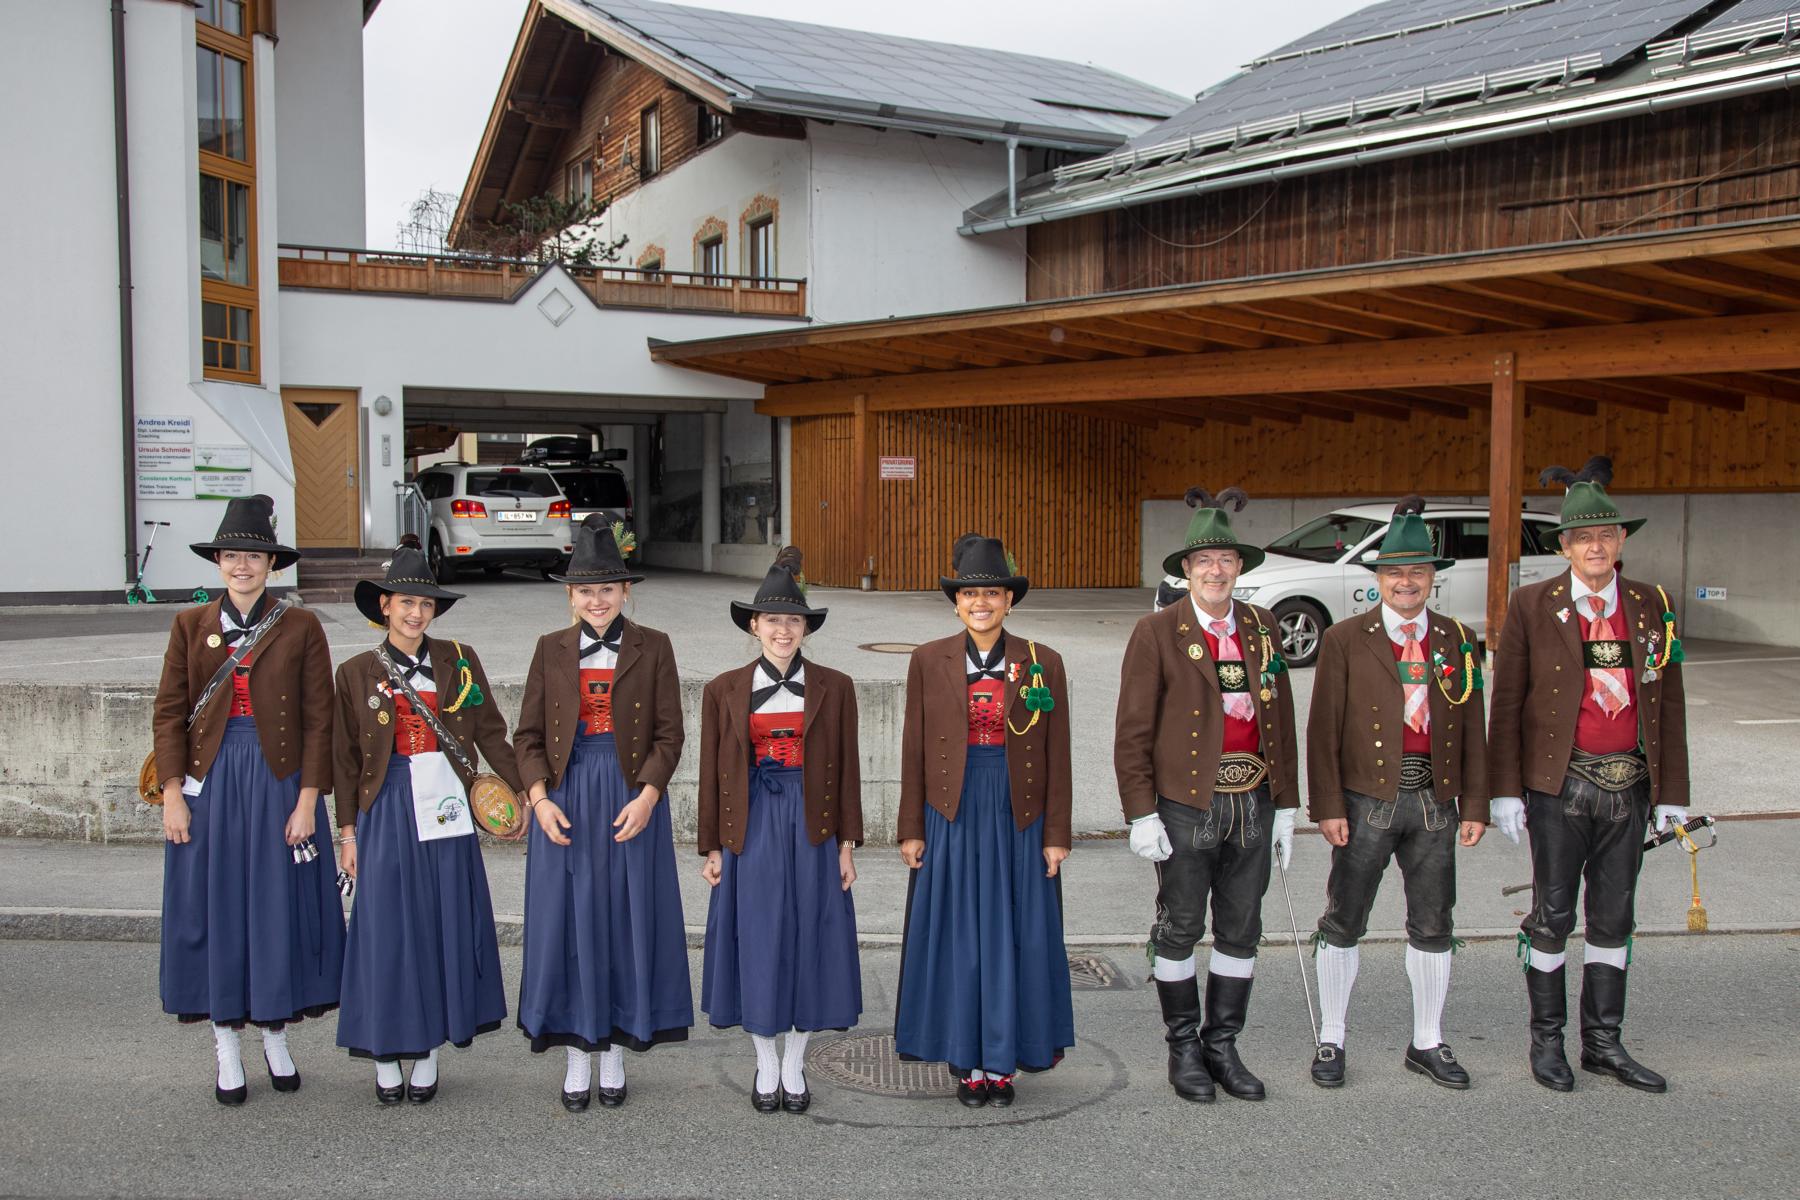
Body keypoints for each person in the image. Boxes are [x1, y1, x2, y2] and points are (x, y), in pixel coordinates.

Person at [1489, 456, 1689, 1094]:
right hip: (1559, 788)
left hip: (1631, 785)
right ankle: (1546, 1044)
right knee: (1551, 916)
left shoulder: (1652, 604)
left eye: (1605, 535)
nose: (1595, 546)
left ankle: (1603, 1042)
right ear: (1565, 546)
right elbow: (1508, 700)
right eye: (1582, 538)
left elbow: (1670, 701)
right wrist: (1503, 791)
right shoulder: (1531, 604)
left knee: (1615, 917)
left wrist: (1674, 794)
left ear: (1621, 540)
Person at [151, 494, 343, 1104]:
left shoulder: (300, 625)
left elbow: (321, 719)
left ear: (271, 565)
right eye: (231, 555)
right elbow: (169, 715)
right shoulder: (190, 626)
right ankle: (225, 1043)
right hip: (210, 782)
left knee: (275, 909)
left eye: (253, 556)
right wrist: (173, 795)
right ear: (218, 563)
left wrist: (309, 801)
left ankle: (275, 1033)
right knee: (219, 910)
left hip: (277, 781)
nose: (242, 566)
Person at [1115, 485, 1299, 1104]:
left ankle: (1224, 1045)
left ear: (1239, 567)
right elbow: (1133, 730)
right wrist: (1141, 812)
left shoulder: (1261, 624)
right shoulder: (1157, 631)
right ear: (1186, 570)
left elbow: (1280, 713)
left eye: (1225, 560)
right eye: (1204, 562)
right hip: (1186, 804)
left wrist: (1288, 802)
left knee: (1242, 927)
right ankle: (1183, 1046)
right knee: (1181, 926)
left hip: (1254, 797)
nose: (1216, 570)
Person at [1304, 496, 1489, 1090]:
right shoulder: (1345, 639)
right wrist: (1328, 805)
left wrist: (1476, 804)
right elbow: (1323, 728)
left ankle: (1428, 1041)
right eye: (1393, 573)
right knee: (1344, 919)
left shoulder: (1458, 639)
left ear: (1432, 578)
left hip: (1437, 802)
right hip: (1364, 802)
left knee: (1434, 923)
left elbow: (1473, 724)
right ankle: (1332, 1038)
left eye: (1415, 572)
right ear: (1377, 580)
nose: (1405, 583)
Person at [331, 537, 520, 1103]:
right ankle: (387, 1051)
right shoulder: (356, 671)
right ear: (383, 606)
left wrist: (525, 793)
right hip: (386, 808)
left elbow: (491, 733)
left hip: (449, 806)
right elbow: (343, 760)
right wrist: (347, 833)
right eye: (404, 602)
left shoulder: (459, 660)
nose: (415, 613)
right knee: (388, 929)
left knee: (441, 924)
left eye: (425, 605)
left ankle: (430, 1048)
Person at [514, 515, 692, 1110]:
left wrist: (647, 796)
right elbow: (527, 735)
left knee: (623, 918)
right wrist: (538, 800)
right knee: (567, 922)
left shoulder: (656, 645)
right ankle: (574, 1053)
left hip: (629, 794)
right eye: (585, 590)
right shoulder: (548, 649)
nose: (597, 600)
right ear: (570, 596)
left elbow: (670, 734)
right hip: (565, 796)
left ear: (625, 592)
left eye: (607, 589)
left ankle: (613, 1048)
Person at [894, 533, 1075, 1109]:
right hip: (951, 809)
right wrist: (911, 827)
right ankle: (967, 1060)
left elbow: (1058, 754)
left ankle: (1004, 1063)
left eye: (992, 593)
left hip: (1018, 813)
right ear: (956, 602)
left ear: (1009, 601)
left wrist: (1056, 835)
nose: (982, 603)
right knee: (960, 937)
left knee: (1013, 936)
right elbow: (914, 748)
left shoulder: (1043, 661)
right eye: (971, 594)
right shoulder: (928, 659)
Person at [698, 548, 863, 1113]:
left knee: (809, 941)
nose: (783, 630)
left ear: (806, 628)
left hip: (814, 826)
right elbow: (710, 774)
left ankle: (796, 1066)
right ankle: (765, 1064)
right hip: (754, 827)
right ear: (754, 626)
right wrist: (713, 845)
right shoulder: (723, 689)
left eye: (794, 620)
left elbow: (847, 770)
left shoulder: (835, 687)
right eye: (772, 620)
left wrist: (846, 844)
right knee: (761, 940)